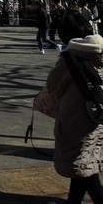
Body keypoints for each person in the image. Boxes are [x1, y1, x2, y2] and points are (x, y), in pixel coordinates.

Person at [40, 31, 103, 204]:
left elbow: (52, 85)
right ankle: (73, 201)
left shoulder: (69, 61)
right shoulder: (100, 60)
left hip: (75, 121)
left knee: (85, 169)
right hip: (97, 120)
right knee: (85, 164)